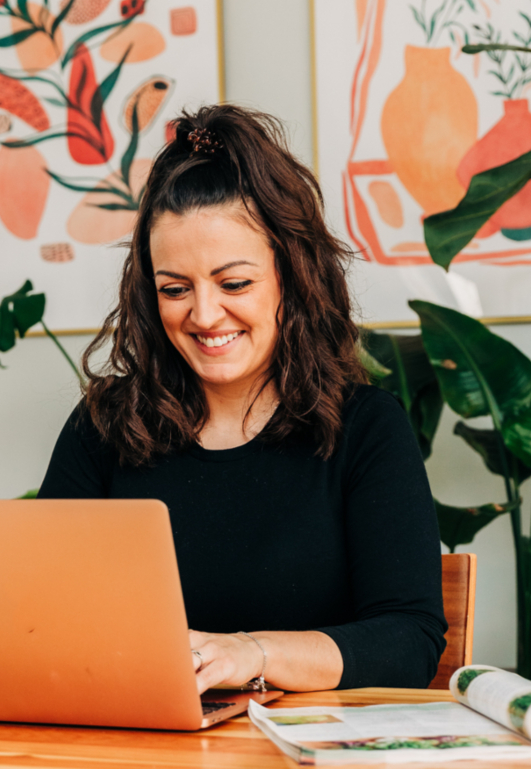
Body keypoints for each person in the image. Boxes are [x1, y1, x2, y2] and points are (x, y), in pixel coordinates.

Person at [38, 104, 446, 693]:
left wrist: (251, 654)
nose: (204, 315)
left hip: (307, 765)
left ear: (293, 274)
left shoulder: (366, 428)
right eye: (175, 289)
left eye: (234, 284)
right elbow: (39, 615)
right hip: (140, 757)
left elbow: (409, 641)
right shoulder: (105, 426)